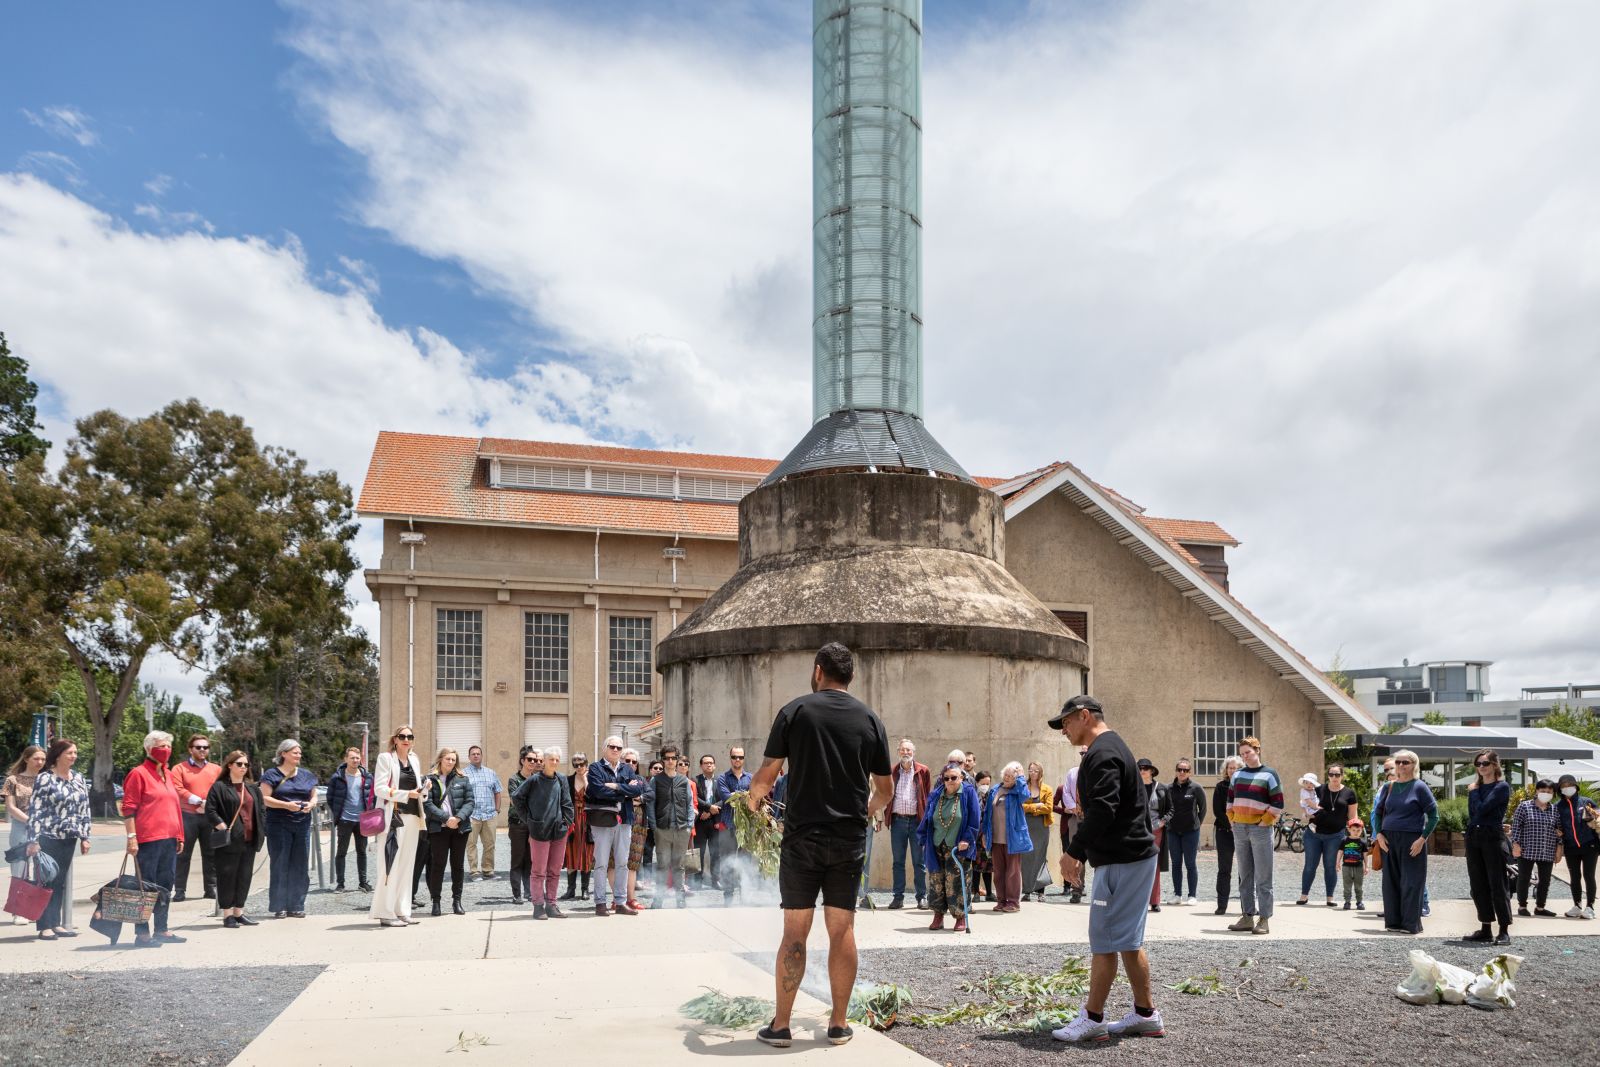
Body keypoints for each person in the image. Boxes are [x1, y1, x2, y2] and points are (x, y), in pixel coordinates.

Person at [745, 642, 891, 1048]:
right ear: (851, 677)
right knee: (842, 929)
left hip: (802, 838)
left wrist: (753, 805)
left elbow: (766, 776)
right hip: (848, 840)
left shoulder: (795, 712)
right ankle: (839, 1024)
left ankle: (781, 1026)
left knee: (795, 931)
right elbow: (885, 788)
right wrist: (866, 812)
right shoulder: (870, 719)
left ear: (818, 670)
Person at [1050, 695, 1164, 1043]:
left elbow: (1103, 809)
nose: (1064, 730)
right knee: (1127, 940)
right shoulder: (1111, 748)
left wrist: (1074, 852)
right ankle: (1145, 1014)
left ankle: (1094, 1018)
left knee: (1104, 940)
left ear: (1085, 716)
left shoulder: (1102, 753)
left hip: (1122, 860)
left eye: (1067, 722)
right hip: (1131, 857)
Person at [120, 731, 187, 947]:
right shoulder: (138, 774)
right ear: (149, 749)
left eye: (169, 746)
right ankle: (142, 934)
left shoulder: (167, 774)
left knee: (165, 886)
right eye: (161, 746)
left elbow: (174, 807)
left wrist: (179, 835)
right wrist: (131, 837)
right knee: (145, 887)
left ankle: (162, 929)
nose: (166, 750)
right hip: (147, 840)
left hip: (169, 839)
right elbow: (128, 808)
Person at [28, 739, 92, 939]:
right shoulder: (45, 778)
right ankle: (44, 926)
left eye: (75, 753)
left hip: (69, 837)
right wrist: (33, 839)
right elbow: (35, 809)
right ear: (58, 755)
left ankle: (56, 923)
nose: (74, 756)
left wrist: (85, 836)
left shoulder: (78, 778)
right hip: (48, 836)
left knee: (60, 882)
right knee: (46, 880)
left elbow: (84, 809)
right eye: (70, 753)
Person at [1375, 748, 1437, 935]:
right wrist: (1378, 835)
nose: (1401, 765)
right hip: (1388, 839)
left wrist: (1422, 839)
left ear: (1414, 765)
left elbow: (1434, 816)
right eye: (1398, 762)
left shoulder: (1420, 786)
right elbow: (1378, 813)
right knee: (1391, 882)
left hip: (1412, 839)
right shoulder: (1388, 787)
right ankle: (1393, 922)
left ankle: (1410, 925)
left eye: (1405, 762)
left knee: (1411, 882)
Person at [1226, 736, 1284, 935]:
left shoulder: (1269, 774)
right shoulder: (1237, 775)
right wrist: (1232, 819)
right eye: (1242, 754)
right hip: (1240, 829)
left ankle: (1265, 919)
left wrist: (1264, 821)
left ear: (1257, 750)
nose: (1245, 757)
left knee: (1263, 876)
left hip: (1260, 829)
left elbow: (1278, 803)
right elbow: (1230, 800)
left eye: (1248, 752)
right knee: (1245, 875)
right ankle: (1247, 916)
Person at [370, 725, 426, 927]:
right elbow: (380, 789)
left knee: (406, 866)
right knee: (390, 865)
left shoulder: (415, 760)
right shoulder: (386, 759)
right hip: (394, 817)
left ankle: (401, 910)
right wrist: (405, 794)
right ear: (395, 739)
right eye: (402, 736)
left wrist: (422, 791)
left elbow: (417, 790)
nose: (406, 739)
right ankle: (385, 912)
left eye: (410, 736)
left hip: (412, 817)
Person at [258, 739, 318, 919]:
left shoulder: (307, 775)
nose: (298, 755)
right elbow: (264, 798)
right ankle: (279, 906)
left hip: (302, 825)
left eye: (299, 752)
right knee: (280, 864)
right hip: (278, 825)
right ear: (283, 754)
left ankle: (297, 905)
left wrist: (312, 804)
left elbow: (314, 794)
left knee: (300, 865)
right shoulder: (271, 774)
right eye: (294, 752)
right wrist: (286, 805)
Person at [206, 750, 265, 928]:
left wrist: (261, 827)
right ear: (230, 765)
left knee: (244, 876)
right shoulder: (220, 787)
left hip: (249, 839)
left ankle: (239, 912)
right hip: (229, 841)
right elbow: (210, 810)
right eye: (239, 764)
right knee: (227, 876)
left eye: (246, 765)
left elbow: (261, 810)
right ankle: (227, 914)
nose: (243, 767)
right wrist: (222, 826)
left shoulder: (253, 788)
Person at [587, 735, 645, 916]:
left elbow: (638, 789)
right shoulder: (596, 767)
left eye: (619, 748)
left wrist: (616, 787)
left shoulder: (627, 768)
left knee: (622, 863)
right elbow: (597, 790)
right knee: (601, 863)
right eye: (612, 746)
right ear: (605, 748)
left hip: (625, 819)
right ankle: (600, 903)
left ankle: (620, 902)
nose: (615, 750)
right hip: (603, 821)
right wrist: (624, 791)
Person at [918, 762, 980, 931]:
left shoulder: (968, 793)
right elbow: (927, 819)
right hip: (937, 844)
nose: (950, 781)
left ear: (961, 778)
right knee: (936, 880)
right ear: (943, 779)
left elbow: (974, 820)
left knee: (958, 882)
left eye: (954, 777)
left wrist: (967, 839)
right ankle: (938, 915)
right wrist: (923, 838)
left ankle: (960, 917)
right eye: (947, 778)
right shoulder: (936, 794)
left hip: (958, 846)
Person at [1461, 748, 1513, 944]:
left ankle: (1504, 930)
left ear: (1494, 765)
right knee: (1478, 884)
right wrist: (1475, 791)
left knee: (1497, 883)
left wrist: (1474, 792)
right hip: (1474, 835)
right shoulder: (1476, 787)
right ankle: (1485, 927)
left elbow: (1482, 809)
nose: (1481, 767)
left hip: (1492, 836)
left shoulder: (1501, 787)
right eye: (1478, 764)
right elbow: (1473, 813)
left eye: (1485, 763)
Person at [516, 746, 573, 919]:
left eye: (557, 759)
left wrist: (566, 822)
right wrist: (529, 820)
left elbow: (567, 802)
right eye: (551, 759)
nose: (554, 762)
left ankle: (552, 905)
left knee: (555, 871)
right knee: (539, 871)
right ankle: (538, 906)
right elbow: (517, 797)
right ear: (544, 761)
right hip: (539, 831)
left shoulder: (561, 779)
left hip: (559, 832)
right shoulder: (534, 780)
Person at [170, 734, 221, 902]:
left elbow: (221, 789)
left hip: (209, 816)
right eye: (198, 747)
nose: (202, 750)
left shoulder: (216, 769)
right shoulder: (179, 768)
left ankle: (211, 889)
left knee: (211, 854)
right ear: (190, 749)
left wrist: (209, 804)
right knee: (182, 854)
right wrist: (197, 800)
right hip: (187, 816)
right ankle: (179, 890)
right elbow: (176, 788)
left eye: (205, 747)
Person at [423, 747, 474, 916]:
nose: (451, 762)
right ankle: (436, 902)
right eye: (448, 759)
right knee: (438, 866)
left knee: (458, 866)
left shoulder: (463, 779)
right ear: (440, 759)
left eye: (453, 760)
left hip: (460, 829)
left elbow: (470, 802)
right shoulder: (429, 779)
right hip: (439, 829)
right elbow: (427, 804)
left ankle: (457, 901)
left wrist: (457, 818)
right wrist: (446, 819)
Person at [1299, 763, 1358, 908]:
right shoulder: (1319, 789)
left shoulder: (1349, 793)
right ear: (1328, 776)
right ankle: (1304, 896)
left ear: (1342, 776)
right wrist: (1305, 813)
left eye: (1337, 774)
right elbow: (1305, 801)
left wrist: (1355, 833)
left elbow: (1352, 815)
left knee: (1331, 866)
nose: (1334, 777)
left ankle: (1330, 898)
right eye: (1331, 774)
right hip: (1314, 833)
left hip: (1335, 835)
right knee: (1310, 866)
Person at [647, 749, 695, 909]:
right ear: (662, 760)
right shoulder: (655, 781)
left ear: (676, 760)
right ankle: (658, 900)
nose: (670, 761)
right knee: (662, 865)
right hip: (662, 829)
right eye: (666, 758)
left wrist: (689, 825)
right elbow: (651, 804)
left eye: (673, 758)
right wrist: (654, 826)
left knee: (679, 866)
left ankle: (680, 900)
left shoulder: (684, 781)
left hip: (682, 829)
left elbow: (689, 803)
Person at [981, 761, 1033, 912]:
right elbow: (987, 814)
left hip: (1013, 838)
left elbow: (1025, 795)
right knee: (998, 871)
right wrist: (984, 833)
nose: (1008, 778)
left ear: (1016, 779)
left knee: (1013, 871)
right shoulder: (995, 790)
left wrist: (1022, 777)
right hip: (996, 838)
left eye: (1011, 776)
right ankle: (1001, 900)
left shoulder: (1018, 791)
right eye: (1006, 775)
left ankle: (1013, 902)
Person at [886, 739, 930, 910]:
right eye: (903, 750)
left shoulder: (923, 771)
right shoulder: (892, 771)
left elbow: (926, 795)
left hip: (916, 822)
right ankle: (898, 898)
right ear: (898, 752)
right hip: (898, 821)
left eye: (909, 750)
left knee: (919, 862)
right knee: (898, 861)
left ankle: (922, 897)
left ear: (914, 752)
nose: (906, 753)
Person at [326, 746, 375, 893]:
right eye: (352, 757)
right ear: (345, 759)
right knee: (341, 852)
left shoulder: (367, 777)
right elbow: (330, 797)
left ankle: (363, 882)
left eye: (357, 758)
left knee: (362, 851)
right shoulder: (337, 777)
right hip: (345, 820)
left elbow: (373, 796)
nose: (355, 760)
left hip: (362, 820)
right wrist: (338, 814)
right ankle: (340, 884)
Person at [1509, 779, 1561, 917]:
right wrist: (1515, 844)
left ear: (1553, 794)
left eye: (1549, 792)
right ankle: (1522, 906)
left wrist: (1559, 848)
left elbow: (1559, 830)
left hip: (1547, 850)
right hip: (1527, 849)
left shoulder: (1555, 810)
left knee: (1545, 880)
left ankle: (1540, 907)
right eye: (1542, 790)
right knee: (1524, 878)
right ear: (1537, 791)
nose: (1545, 793)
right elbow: (1516, 827)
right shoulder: (1525, 806)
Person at [1554, 773, 1598, 918]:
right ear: (1560, 789)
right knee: (1575, 876)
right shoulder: (1557, 807)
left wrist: (1595, 820)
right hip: (1570, 847)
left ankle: (1590, 907)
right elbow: (1555, 825)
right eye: (1564, 786)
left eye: (1570, 785)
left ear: (1576, 787)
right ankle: (1577, 905)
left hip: (1590, 844)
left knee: (1588, 875)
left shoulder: (1587, 802)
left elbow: (1598, 817)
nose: (1567, 788)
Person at [714, 746, 753, 905]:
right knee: (727, 862)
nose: (738, 760)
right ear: (730, 758)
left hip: (746, 828)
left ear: (744, 759)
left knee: (745, 862)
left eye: (740, 757)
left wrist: (739, 795)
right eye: (735, 757)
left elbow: (755, 797)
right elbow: (726, 797)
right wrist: (745, 795)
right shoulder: (722, 778)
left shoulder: (751, 777)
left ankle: (745, 896)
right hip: (728, 826)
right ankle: (728, 897)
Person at [1165, 759, 1206, 906]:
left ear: (1190, 772)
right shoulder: (1168, 789)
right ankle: (1177, 894)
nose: (1182, 772)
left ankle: (1192, 895)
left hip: (1191, 832)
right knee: (1176, 863)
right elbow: (1165, 809)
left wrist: (1197, 824)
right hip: (1173, 832)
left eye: (1185, 770)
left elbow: (1203, 809)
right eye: (1180, 769)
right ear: (1176, 770)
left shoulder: (1196, 788)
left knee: (1190, 863)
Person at [4, 745, 45, 878]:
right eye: (36, 759)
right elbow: (10, 807)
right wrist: (31, 821)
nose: (40, 762)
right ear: (26, 759)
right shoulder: (12, 780)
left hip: (44, 828)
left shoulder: (47, 780)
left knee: (44, 871)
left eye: (43, 759)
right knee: (19, 872)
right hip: (20, 827)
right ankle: (18, 898)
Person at [461, 745, 501, 882]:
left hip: (489, 814)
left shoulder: (491, 773)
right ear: (469, 757)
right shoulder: (463, 774)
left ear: (482, 756)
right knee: (471, 844)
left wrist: (497, 809)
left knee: (490, 844)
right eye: (473, 754)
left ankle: (488, 870)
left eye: (478, 753)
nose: (476, 756)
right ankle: (474, 871)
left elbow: (497, 791)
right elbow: (460, 794)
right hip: (472, 815)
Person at [506, 747, 540, 905]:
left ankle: (529, 892)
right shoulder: (514, 779)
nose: (533, 762)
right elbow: (515, 800)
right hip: (518, 824)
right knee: (517, 859)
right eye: (530, 760)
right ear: (522, 761)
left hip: (533, 824)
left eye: (535, 760)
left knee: (530, 859)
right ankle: (516, 894)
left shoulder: (537, 778)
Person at [1136, 759, 1171, 912]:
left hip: (1157, 830)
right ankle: (1139, 901)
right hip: (1138, 831)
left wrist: (1163, 822)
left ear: (1151, 771)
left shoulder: (1162, 787)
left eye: (1145, 768)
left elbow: (1171, 809)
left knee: (1154, 865)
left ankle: (1155, 901)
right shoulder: (1133, 788)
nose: (1142, 770)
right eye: (1140, 768)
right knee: (1138, 865)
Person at [561, 754, 594, 901]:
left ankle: (585, 889)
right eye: (576, 765)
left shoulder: (593, 779)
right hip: (572, 820)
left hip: (588, 821)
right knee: (570, 853)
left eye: (581, 764)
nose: (579, 767)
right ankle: (571, 889)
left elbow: (593, 797)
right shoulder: (568, 780)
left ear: (587, 764)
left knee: (587, 853)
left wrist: (586, 780)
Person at [1054, 748, 1085, 902]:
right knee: (1076, 853)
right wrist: (1075, 808)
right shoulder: (1073, 772)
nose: (1084, 756)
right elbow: (1066, 792)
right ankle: (1076, 889)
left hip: (1094, 817)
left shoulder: (1099, 771)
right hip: (1075, 817)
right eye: (1082, 753)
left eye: (1087, 753)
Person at [1212, 755, 1242, 915]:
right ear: (1226, 770)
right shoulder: (1220, 787)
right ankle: (1222, 905)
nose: (1232, 771)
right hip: (1224, 831)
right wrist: (1231, 824)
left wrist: (1239, 825)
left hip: (1243, 831)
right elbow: (1218, 810)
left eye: (1235, 768)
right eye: (1230, 768)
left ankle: (1247, 906)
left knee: (1245, 870)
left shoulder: (1246, 786)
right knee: (1224, 869)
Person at [623, 749, 652, 911]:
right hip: (620, 825)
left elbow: (650, 794)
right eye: (627, 761)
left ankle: (631, 898)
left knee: (633, 863)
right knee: (617, 862)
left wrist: (639, 799)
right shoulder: (617, 778)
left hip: (639, 826)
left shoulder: (641, 780)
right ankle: (617, 899)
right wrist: (628, 799)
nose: (631, 764)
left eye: (634, 762)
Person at [1020, 761, 1053, 902]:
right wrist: (1036, 806)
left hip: (1041, 826)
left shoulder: (1047, 789)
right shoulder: (1023, 787)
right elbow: (1020, 806)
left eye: (1035, 770)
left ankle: (1041, 891)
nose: (1032, 773)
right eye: (1030, 770)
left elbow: (1048, 808)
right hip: (1025, 825)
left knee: (1040, 857)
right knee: (1026, 858)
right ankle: (1027, 891)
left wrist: (1030, 807)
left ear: (1040, 772)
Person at [692, 754, 720, 889]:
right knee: (699, 851)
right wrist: (708, 807)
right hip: (700, 822)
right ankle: (698, 881)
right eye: (706, 763)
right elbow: (695, 797)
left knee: (716, 852)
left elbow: (724, 798)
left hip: (715, 822)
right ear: (701, 766)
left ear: (714, 765)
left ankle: (715, 880)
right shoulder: (695, 780)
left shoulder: (721, 781)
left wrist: (710, 811)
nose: (709, 765)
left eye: (711, 763)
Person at [970, 771, 995, 902]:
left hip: (988, 835)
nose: (985, 786)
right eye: (982, 783)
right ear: (977, 782)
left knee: (988, 866)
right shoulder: (973, 795)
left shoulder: (991, 796)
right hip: (976, 836)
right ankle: (975, 892)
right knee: (976, 865)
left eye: (987, 783)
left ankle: (990, 892)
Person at [1339, 817, 1370, 910]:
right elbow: (1340, 852)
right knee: (1347, 885)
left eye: (1358, 830)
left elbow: (1365, 855)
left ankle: (1359, 902)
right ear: (1349, 829)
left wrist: (1366, 867)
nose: (1356, 832)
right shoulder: (1344, 840)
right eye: (1353, 830)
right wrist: (1337, 863)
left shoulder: (1363, 842)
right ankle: (1347, 902)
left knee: (1358, 885)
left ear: (1362, 830)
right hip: (1346, 866)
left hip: (1358, 867)